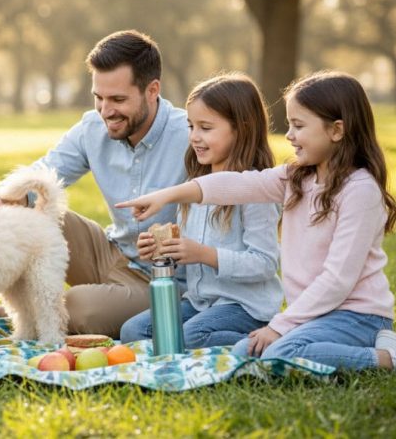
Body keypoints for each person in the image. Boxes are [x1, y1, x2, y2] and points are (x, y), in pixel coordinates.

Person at [118, 71, 396, 372]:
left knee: (277, 354)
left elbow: (337, 281)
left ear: (336, 130)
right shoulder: (296, 177)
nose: (289, 135)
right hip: (312, 315)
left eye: (298, 125)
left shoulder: (360, 191)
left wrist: (279, 326)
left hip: (355, 314)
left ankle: (390, 358)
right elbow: (236, 184)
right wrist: (166, 196)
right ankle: (303, 346)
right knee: (246, 351)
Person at [0, 30, 189, 338]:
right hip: (110, 252)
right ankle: (11, 309)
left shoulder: (189, 136)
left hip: (160, 277)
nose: (105, 111)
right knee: (30, 220)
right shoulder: (92, 127)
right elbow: (46, 171)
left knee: (78, 307)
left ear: (152, 90)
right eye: (98, 98)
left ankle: (26, 317)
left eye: (118, 99)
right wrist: (4, 198)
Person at [119, 74, 282, 348]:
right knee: (133, 332)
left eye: (206, 127)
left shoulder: (256, 191)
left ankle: (270, 342)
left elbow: (265, 264)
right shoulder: (192, 188)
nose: (195, 137)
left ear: (241, 128)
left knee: (190, 337)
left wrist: (205, 255)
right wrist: (161, 253)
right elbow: (188, 250)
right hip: (199, 303)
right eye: (191, 126)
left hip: (244, 308)